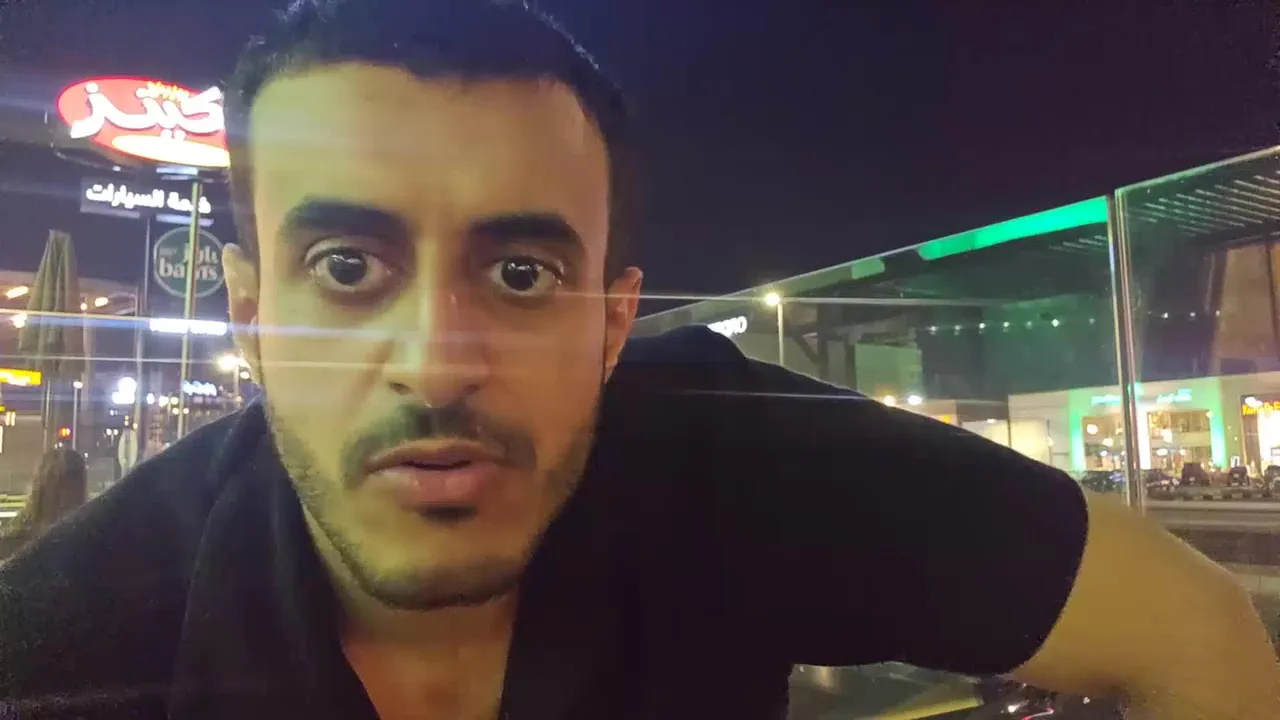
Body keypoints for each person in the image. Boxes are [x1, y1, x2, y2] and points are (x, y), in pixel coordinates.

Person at [1, 1, 1276, 718]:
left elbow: (1198, 630)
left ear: (613, 324)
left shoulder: (737, 468)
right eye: (345, 268)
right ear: (248, 309)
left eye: (520, 274)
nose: (435, 365)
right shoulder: (69, 647)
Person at [0, 447, 87, 561]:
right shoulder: (12, 542)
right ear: (41, 491)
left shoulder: (88, 543)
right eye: (56, 489)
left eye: (72, 490)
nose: (63, 500)